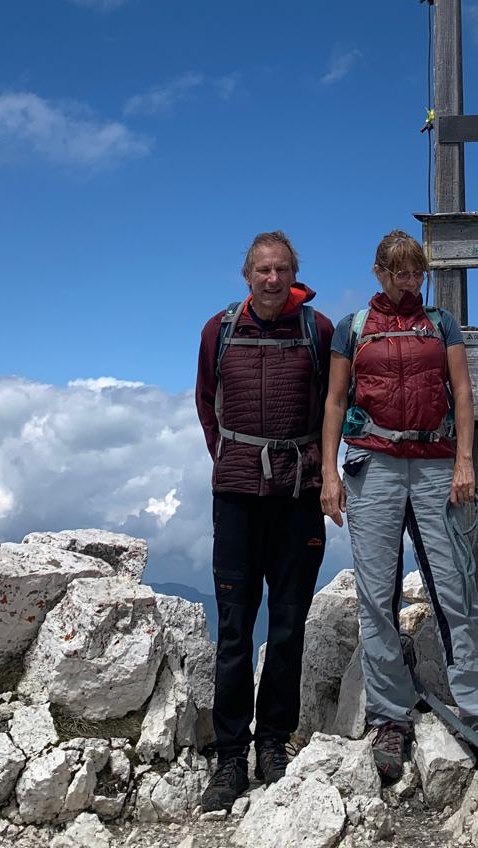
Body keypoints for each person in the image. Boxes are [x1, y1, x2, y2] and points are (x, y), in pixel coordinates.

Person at [320, 229, 478, 783]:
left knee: (454, 587)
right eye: (399, 272)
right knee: (375, 593)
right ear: (379, 272)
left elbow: (462, 392)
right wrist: (327, 474)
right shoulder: (352, 329)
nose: (409, 282)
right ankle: (390, 718)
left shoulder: (441, 324)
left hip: (435, 464)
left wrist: (465, 462)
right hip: (372, 466)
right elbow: (336, 400)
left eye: (416, 273)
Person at [195, 230, 333, 813]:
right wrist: (231, 458)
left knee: (288, 624)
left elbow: (333, 402)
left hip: (299, 493)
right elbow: (208, 402)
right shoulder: (219, 331)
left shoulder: (317, 330)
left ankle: (272, 743)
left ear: (293, 274)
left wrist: (322, 471)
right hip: (237, 497)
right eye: (262, 271)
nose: (271, 279)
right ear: (247, 275)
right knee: (233, 626)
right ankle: (231, 756)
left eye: (280, 270)